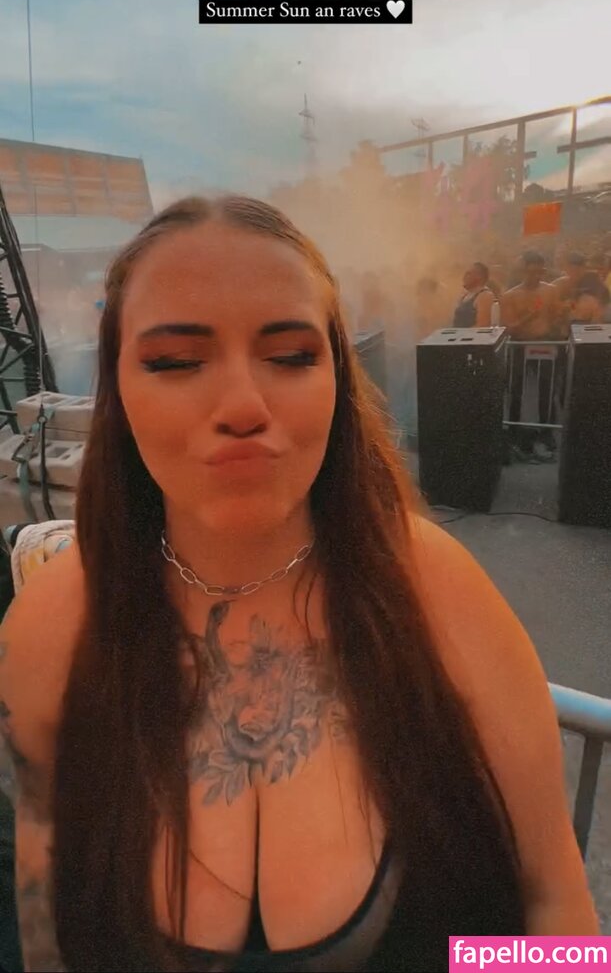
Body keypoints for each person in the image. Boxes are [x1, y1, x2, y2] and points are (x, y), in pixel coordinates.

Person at [0, 197, 598, 973]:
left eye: (289, 356)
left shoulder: (439, 595)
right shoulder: (53, 625)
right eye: (175, 361)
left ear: (338, 379)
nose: (243, 406)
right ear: (115, 390)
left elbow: (554, 906)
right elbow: (44, 912)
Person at [501, 251, 562, 462]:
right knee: (516, 390)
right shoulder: (510, 295)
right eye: (531, 271)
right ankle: (514, 430)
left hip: (545, 344)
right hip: (520, 346)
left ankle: (546, 431)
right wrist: (531, 314)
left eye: (539, 272)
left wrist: (556, 327)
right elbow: (509, 327)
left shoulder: (551, 290)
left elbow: (557, 316)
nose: (535, 276)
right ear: (523, 271)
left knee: (547, 389)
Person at [452, 262, 494, 329]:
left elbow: (482, 326)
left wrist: (460, 334)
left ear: (479, 276)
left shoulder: (485, 296)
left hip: (470, 335)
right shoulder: (464, 296)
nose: (464, 277)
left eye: (468, 274)